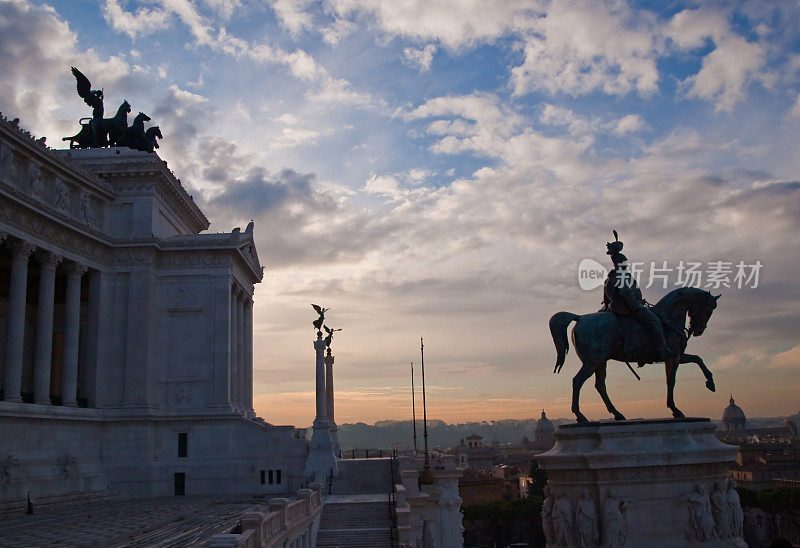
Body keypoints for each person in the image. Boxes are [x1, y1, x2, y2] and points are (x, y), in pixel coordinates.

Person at [601, 231, 671, 361]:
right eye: (624, 262)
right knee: (654, 321)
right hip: (626, 308)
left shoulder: (610, 277)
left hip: (614, 308)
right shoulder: (621, 276)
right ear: (619, 263)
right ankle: (661, 349)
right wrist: (637, 306)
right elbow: (626, 294)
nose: (626, 265)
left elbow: (606, 298)